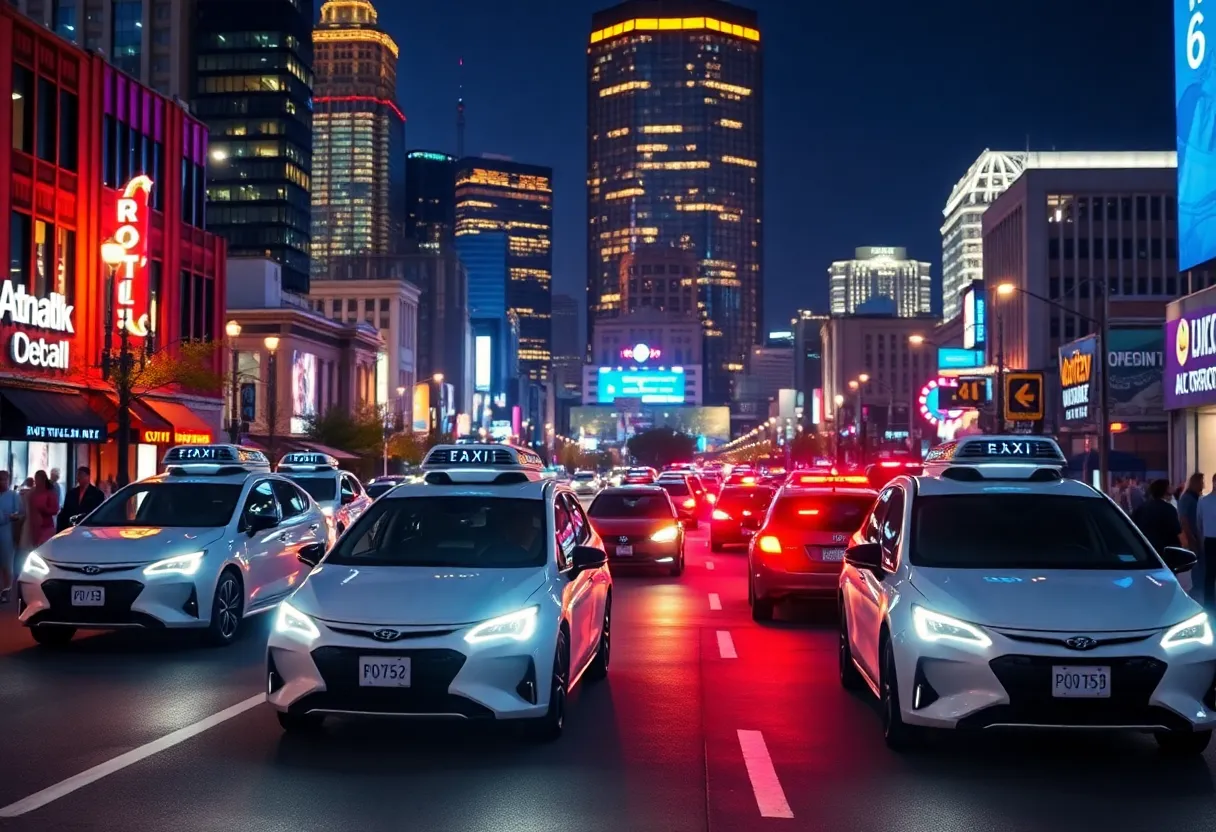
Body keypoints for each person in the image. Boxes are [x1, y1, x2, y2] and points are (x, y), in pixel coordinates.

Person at [1131, 479, 1183, 556]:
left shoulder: (1141, 508)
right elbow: (1178, 532)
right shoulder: (1169, 509)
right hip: (1167, 552)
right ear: (1165, 491)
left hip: (1146, 551)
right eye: (1170, 486)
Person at [57, 466, 105, 533]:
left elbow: (98, 513)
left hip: (88, 528)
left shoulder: (97, 494)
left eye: (81, 475)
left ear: (88, 477)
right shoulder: (71, 493)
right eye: (78, 475)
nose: (78, 478)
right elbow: (66, 511)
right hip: (71, 528)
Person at [0, 471, 23, 604]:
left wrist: (11, 517)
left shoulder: (14, 495)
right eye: (0, 480)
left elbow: (20, 514)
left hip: (7, 532)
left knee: (7, 564)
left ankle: (7, 591)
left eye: (4, 480)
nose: (2, 482)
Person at [28, 470, 60, 548]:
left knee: (44, 549)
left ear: (43, 479)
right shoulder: (32, 493)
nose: (36, 481)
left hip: (46, 526)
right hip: (33, 526)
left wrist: (45, 509)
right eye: (36, 478)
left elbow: (55, 509)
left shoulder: (50, 493)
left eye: (38, 479)